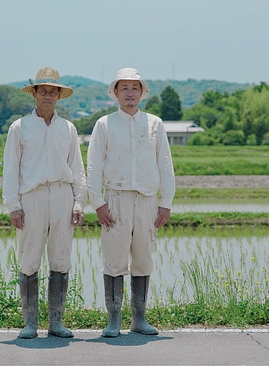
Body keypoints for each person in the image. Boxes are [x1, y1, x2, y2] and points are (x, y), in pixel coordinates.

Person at [86, 68, 176, 338]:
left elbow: (166, 164)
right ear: (115, 93)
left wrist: (166, 203)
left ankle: (139, 319)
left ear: (142, 92)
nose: (129, 93)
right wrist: (98, 203)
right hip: (115, 199)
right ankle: (114, 320)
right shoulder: (104, 124)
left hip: (147, 200)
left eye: (134, 88)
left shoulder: (155, 124)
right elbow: (94, 165)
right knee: (114, 260)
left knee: (143, 259)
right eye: (124, 88)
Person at [2, 66, 87, 339]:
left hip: (62, 195)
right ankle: (29, 323)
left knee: (61, 258)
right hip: (32, 197)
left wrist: (78, 203)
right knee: (29, 259)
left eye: (53, 91)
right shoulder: (20, 127)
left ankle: (56, 323)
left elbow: (77, 168)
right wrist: (13, 205)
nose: (48, 95)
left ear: (59, 95)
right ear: (35, 93)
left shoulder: (68, 128)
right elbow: (10, 168)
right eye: (43, 91)